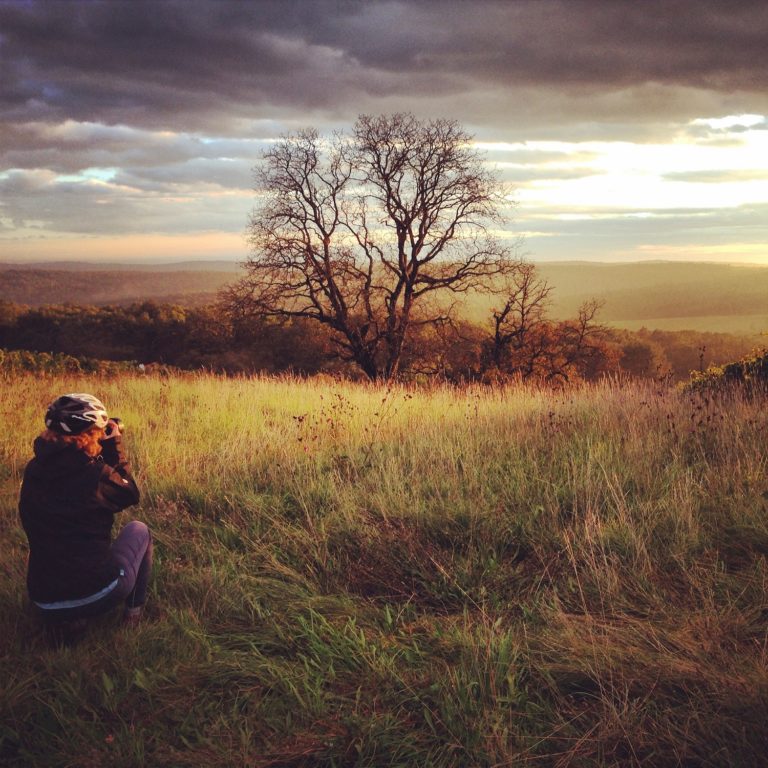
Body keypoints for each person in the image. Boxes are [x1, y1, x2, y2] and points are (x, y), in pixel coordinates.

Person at [19, 393, 152, 639]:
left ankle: (67, 621)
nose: (102, 435)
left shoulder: (33, 470)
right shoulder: (97, 476)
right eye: (100, 431)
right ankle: (133, 616)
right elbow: (130, 492)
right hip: (95, 591)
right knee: (139, 529)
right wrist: (115, 449)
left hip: (43, 599)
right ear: (89, 435)